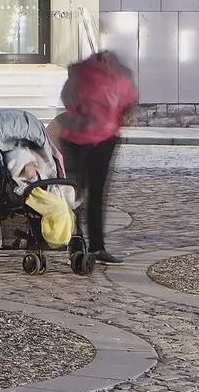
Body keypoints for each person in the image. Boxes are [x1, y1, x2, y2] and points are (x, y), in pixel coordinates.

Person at [50, 40, 138, 266]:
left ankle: (73, 240)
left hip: (75, 138)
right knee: (96, 194)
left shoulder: (80, 73)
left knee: (73, 189)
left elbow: (67, 98)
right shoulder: (119, 77)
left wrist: (82, 115)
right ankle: (97, 246)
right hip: (103, 139)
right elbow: (127, 103)